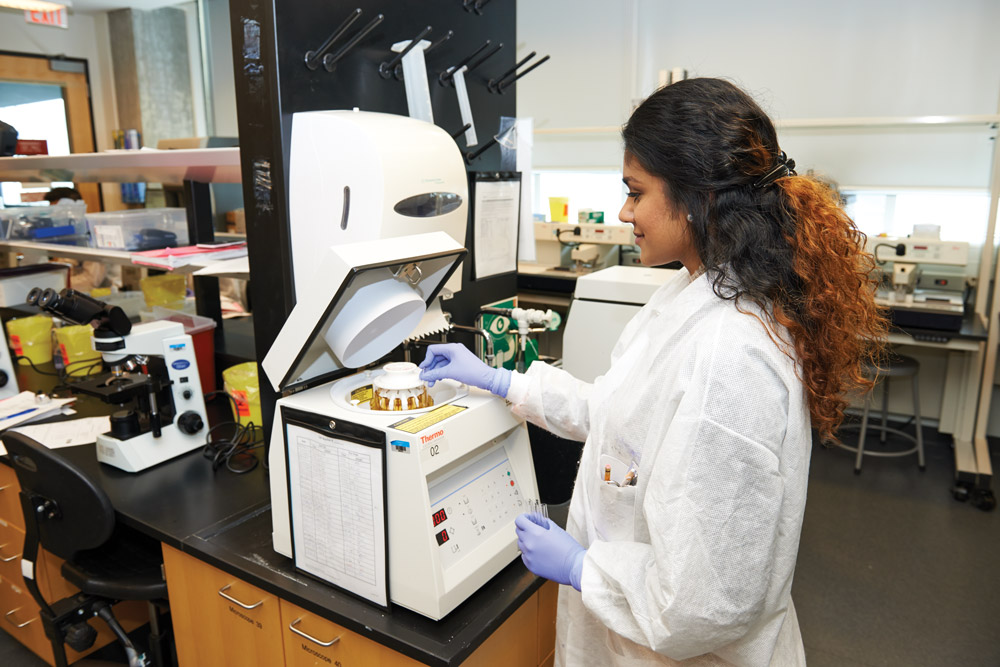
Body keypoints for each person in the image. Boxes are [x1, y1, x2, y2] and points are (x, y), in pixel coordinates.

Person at [419, 77, 887, 666]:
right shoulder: (696, 294)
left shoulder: (730, 354)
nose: (624, 211)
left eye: (636, 192)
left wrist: (583, 566)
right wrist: (505, 381)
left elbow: (700, 600)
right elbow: (621, 414)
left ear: (699, 197)